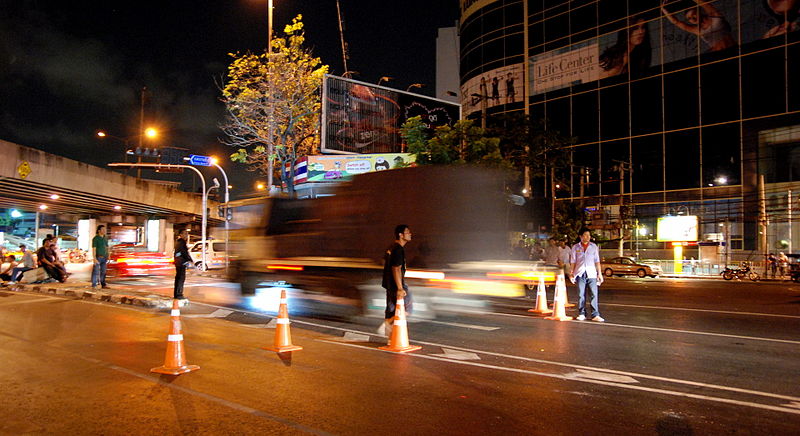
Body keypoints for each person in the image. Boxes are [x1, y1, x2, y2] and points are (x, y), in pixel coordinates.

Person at [661, 0, 735, 52]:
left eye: (694, 14)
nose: (693, 18)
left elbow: (703, 3)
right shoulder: (698, 30)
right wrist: (663, 9)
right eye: (689, 19)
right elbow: (676, 22)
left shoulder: (715, 16)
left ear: (699, 10)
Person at [381, 224, 413, 338]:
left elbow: (385, 263)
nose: (410, 234)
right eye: (407, 232)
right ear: (401, 235)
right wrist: (400, 287)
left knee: (391, 309)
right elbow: (396, 268)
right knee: (408, 308)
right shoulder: (398, 249)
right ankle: (388, 324)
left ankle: (391, 337)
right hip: (396, 283)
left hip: (389, 283)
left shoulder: (391, 247)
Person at [599, 15, 651, 79]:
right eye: (635, 28)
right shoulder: (619, 55)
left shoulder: (640, 55)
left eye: (643, 27)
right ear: (626, 31)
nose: (641, 32)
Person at [569, 228, 604, 322]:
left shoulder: (593, 247)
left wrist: (599, 274)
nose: (588, 237)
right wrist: (571, 273)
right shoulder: (575, 247)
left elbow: (597, 261)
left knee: (593, 294)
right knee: (581, 295)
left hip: (591, 273)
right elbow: (573, 261)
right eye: (585, 235)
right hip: (580, 273)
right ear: (580, 236)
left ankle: (595, 314)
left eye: (589, 235)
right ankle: (582, 313)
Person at [173, 228, 192, 303]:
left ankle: (177, 294)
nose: (186, 235)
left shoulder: (178, 242)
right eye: (185, 233)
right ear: (181, 235)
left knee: (178, 278)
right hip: (181, 263)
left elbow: (179, 253)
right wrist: (189, 259)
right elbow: (184, 253)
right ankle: (179, 294)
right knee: (181, 279)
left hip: (178, 262)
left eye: (187, 234)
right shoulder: (182, 242)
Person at [91, 224, 109, 289]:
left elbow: (107, 247)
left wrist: (108, 255)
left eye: (105, 229)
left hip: (104, 257)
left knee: (103, 272)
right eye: (103, 229)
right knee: (96, 271)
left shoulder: (105, 238)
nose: (104, 231)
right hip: (98, 257)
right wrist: (94, 258)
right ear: (99, 230)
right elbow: (94, 249)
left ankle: (103, 284)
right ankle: (94, 285)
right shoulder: (95, 239)